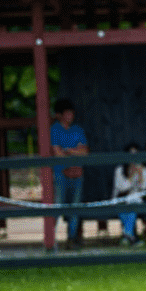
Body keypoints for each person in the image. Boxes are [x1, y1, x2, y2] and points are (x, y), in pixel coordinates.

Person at [48, 99, 89, 248]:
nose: (70, 115)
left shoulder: (78, 130)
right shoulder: (55, 129)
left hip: (77, 173)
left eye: (71, 113)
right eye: (67, 113)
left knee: (75, 206)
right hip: (60, 174)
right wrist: (74, 152)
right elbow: (57, 153)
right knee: (58, 205)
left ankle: (72, 238)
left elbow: (84, 152)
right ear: (60, 115)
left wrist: (68, 151)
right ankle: (51, 238)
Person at [112, 144, 146, 245]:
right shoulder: (119, 170)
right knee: (125, 207)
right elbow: (122, 188)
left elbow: (144, 189)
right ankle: (131, 237)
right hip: (121, 199)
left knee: (133, 208)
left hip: (136, 200)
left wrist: (140, 175)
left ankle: (127, 235)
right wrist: (131, 176)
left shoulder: (144, 169)